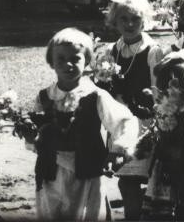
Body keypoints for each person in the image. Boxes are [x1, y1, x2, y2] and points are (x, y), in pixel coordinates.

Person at [32, 28, 137, 221]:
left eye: (75, 59)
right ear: (51, 62)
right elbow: (35, 133)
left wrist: (118, 149)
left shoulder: (95, 96)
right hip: (51, 172)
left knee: (88, 213)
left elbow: (125, 120)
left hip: (86, 171)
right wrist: (32, 136)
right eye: (61, 59)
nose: (68, 64)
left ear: (87, 61)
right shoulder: (44, 97)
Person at [103, 0, 164, 220]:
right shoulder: (111, 52)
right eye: (123, 19)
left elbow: (158, 90)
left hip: (145, 122)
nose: (129, 24)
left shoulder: (152, 51)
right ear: (114, 21)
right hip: (120, 121)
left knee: (146, 178)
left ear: (144, 20)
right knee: (126, 179)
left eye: (135, 19)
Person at [143, 50, 184, 220]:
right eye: (165, 89)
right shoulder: (164, 111)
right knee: (160, 212)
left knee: (181, 212)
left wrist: (179, 153)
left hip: (182, 174)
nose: (167, 93)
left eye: (174, 89)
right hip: (163, 172)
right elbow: (156, 135)